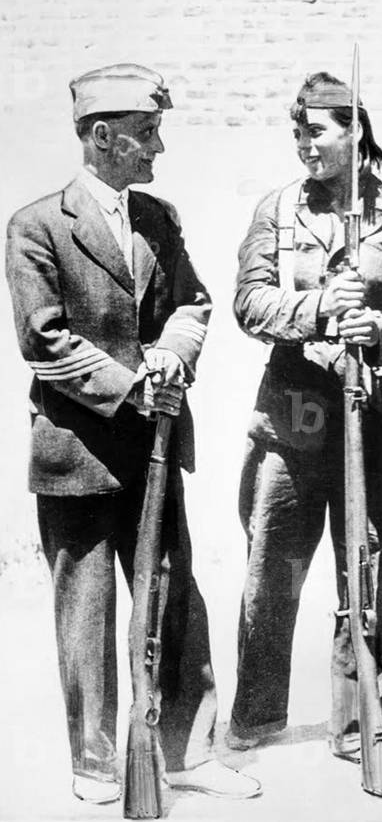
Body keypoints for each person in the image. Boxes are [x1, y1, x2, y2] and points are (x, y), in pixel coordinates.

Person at [4, 64, 260, 804]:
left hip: (154, 445)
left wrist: (172, 356)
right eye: (147, 133)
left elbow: (194, 303)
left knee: (174, 600)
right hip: (77, 449)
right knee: (85, 612)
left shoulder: (160, 217)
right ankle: (93, 763)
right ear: (104, 136)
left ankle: (185, 750)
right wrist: (131, 383)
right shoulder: (36, 225)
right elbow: (44, 341)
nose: (159, 147)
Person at [229, 72, 382, 758]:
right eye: (297, 131)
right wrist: (319, 308)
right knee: (273, 569)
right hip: (294, 410)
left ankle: (360, 720)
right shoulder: (277, 210)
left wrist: (380, 331)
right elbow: (249, 302)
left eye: (317, 131)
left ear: (356, 132)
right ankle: (257, 717)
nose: (304, 144)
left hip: (374, 413)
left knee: (369, 568)